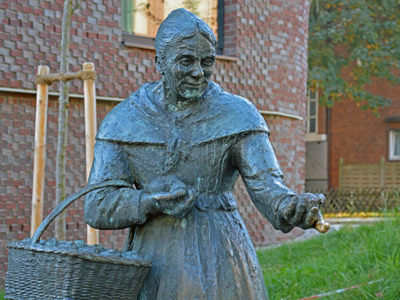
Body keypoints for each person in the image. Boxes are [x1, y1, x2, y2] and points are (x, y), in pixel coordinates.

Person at [85, 8, 326, 300]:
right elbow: (97, 205)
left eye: (207, 61)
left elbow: (267, 186)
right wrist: (147, 201)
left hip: (222, 251)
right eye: (186, 61)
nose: (198, 72)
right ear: (160, 61)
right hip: (155, 256)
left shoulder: (237, 115)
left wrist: (291, 206)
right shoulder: (124, 120)